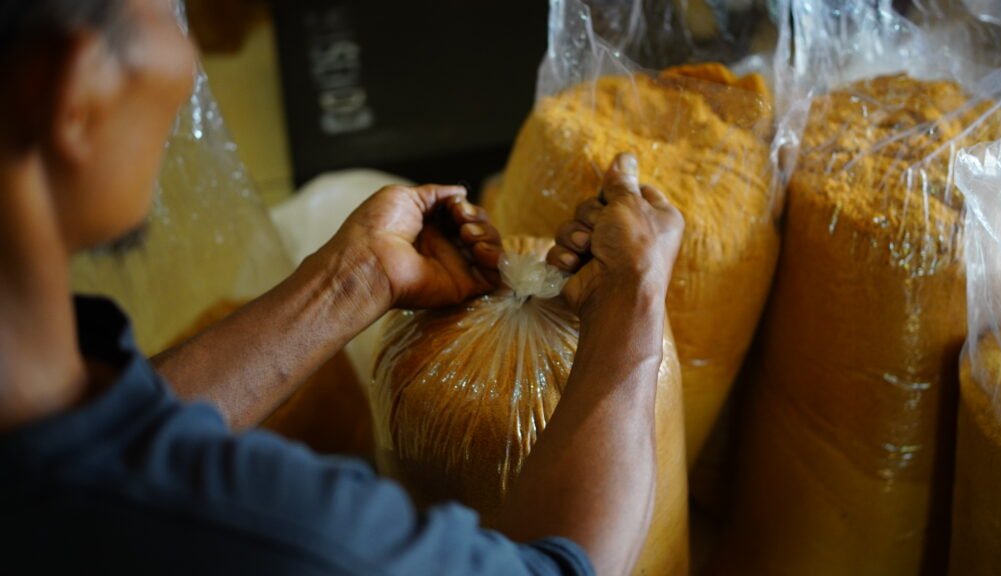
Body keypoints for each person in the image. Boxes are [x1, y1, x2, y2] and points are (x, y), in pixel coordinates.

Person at [0, 1, 684, 574]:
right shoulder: (283, 536)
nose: (188, 62)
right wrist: (635, 300)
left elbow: (123, 438)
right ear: (69, 92)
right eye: (160, 14)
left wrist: (351, 280)